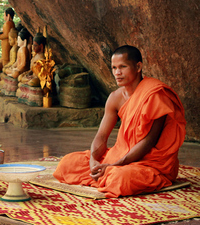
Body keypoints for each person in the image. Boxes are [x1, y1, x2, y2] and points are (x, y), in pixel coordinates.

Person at [53, 45, 186, 198]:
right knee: (66, 164)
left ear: (138, 66)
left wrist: (113, 166)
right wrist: (93, 161)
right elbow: (101, 136)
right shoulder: (115, 97)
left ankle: (108, 175)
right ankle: (104, 175)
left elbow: (149, 141)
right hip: (118, 156)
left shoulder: (154, 94)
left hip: (148, 163)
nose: (117, 73)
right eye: (114, 67)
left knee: (120, 179)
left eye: (122, 67)